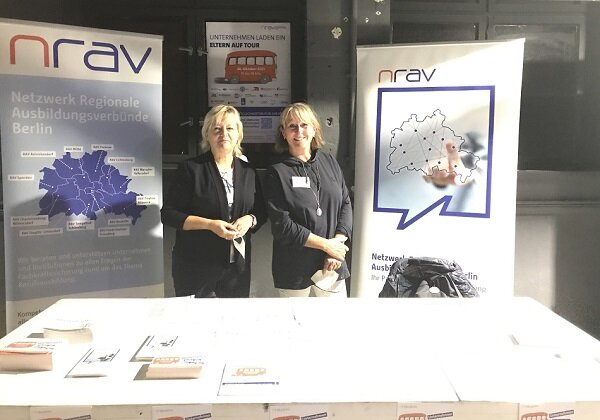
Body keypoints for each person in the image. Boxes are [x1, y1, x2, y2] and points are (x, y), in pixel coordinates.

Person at [161, 104, 266, 298]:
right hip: (196, 267)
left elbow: (261, 210)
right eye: (217, 129)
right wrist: (210, 225)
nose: (223, 134)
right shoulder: (191, 169)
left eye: (230, 128)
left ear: (238, 134)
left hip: (236, 270)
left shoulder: (248, 171)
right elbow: (169, 214)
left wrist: (250, 219)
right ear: (207, 134)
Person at [264, 102, 353, 297]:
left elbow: (345, 203)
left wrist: (336, 246)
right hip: (294, 267)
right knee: (295, 317)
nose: (299, 132)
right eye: (292, 126)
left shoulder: (329, 162)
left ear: (314, 129)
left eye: (304, 125)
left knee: (337, 317)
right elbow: (282, 226)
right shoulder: (277, 172)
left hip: (331, 263)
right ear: (283, 132)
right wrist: (326, 245)